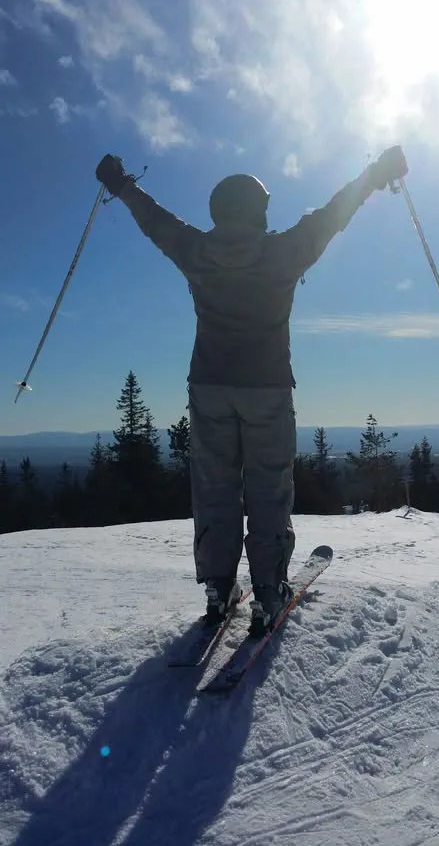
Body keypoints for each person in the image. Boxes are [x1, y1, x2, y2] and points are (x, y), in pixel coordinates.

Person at [95, 146, 408, 635]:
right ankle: (267, 591)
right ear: (259, 211)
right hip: (267, 387)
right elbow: (333, 214)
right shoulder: (284, 251)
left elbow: (156, 221)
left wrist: (122, 185)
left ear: (219, 211)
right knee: (268, 488)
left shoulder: (196, 251)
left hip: (209, 386)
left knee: (215, 488)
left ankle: (219, 589)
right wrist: (374, 174)